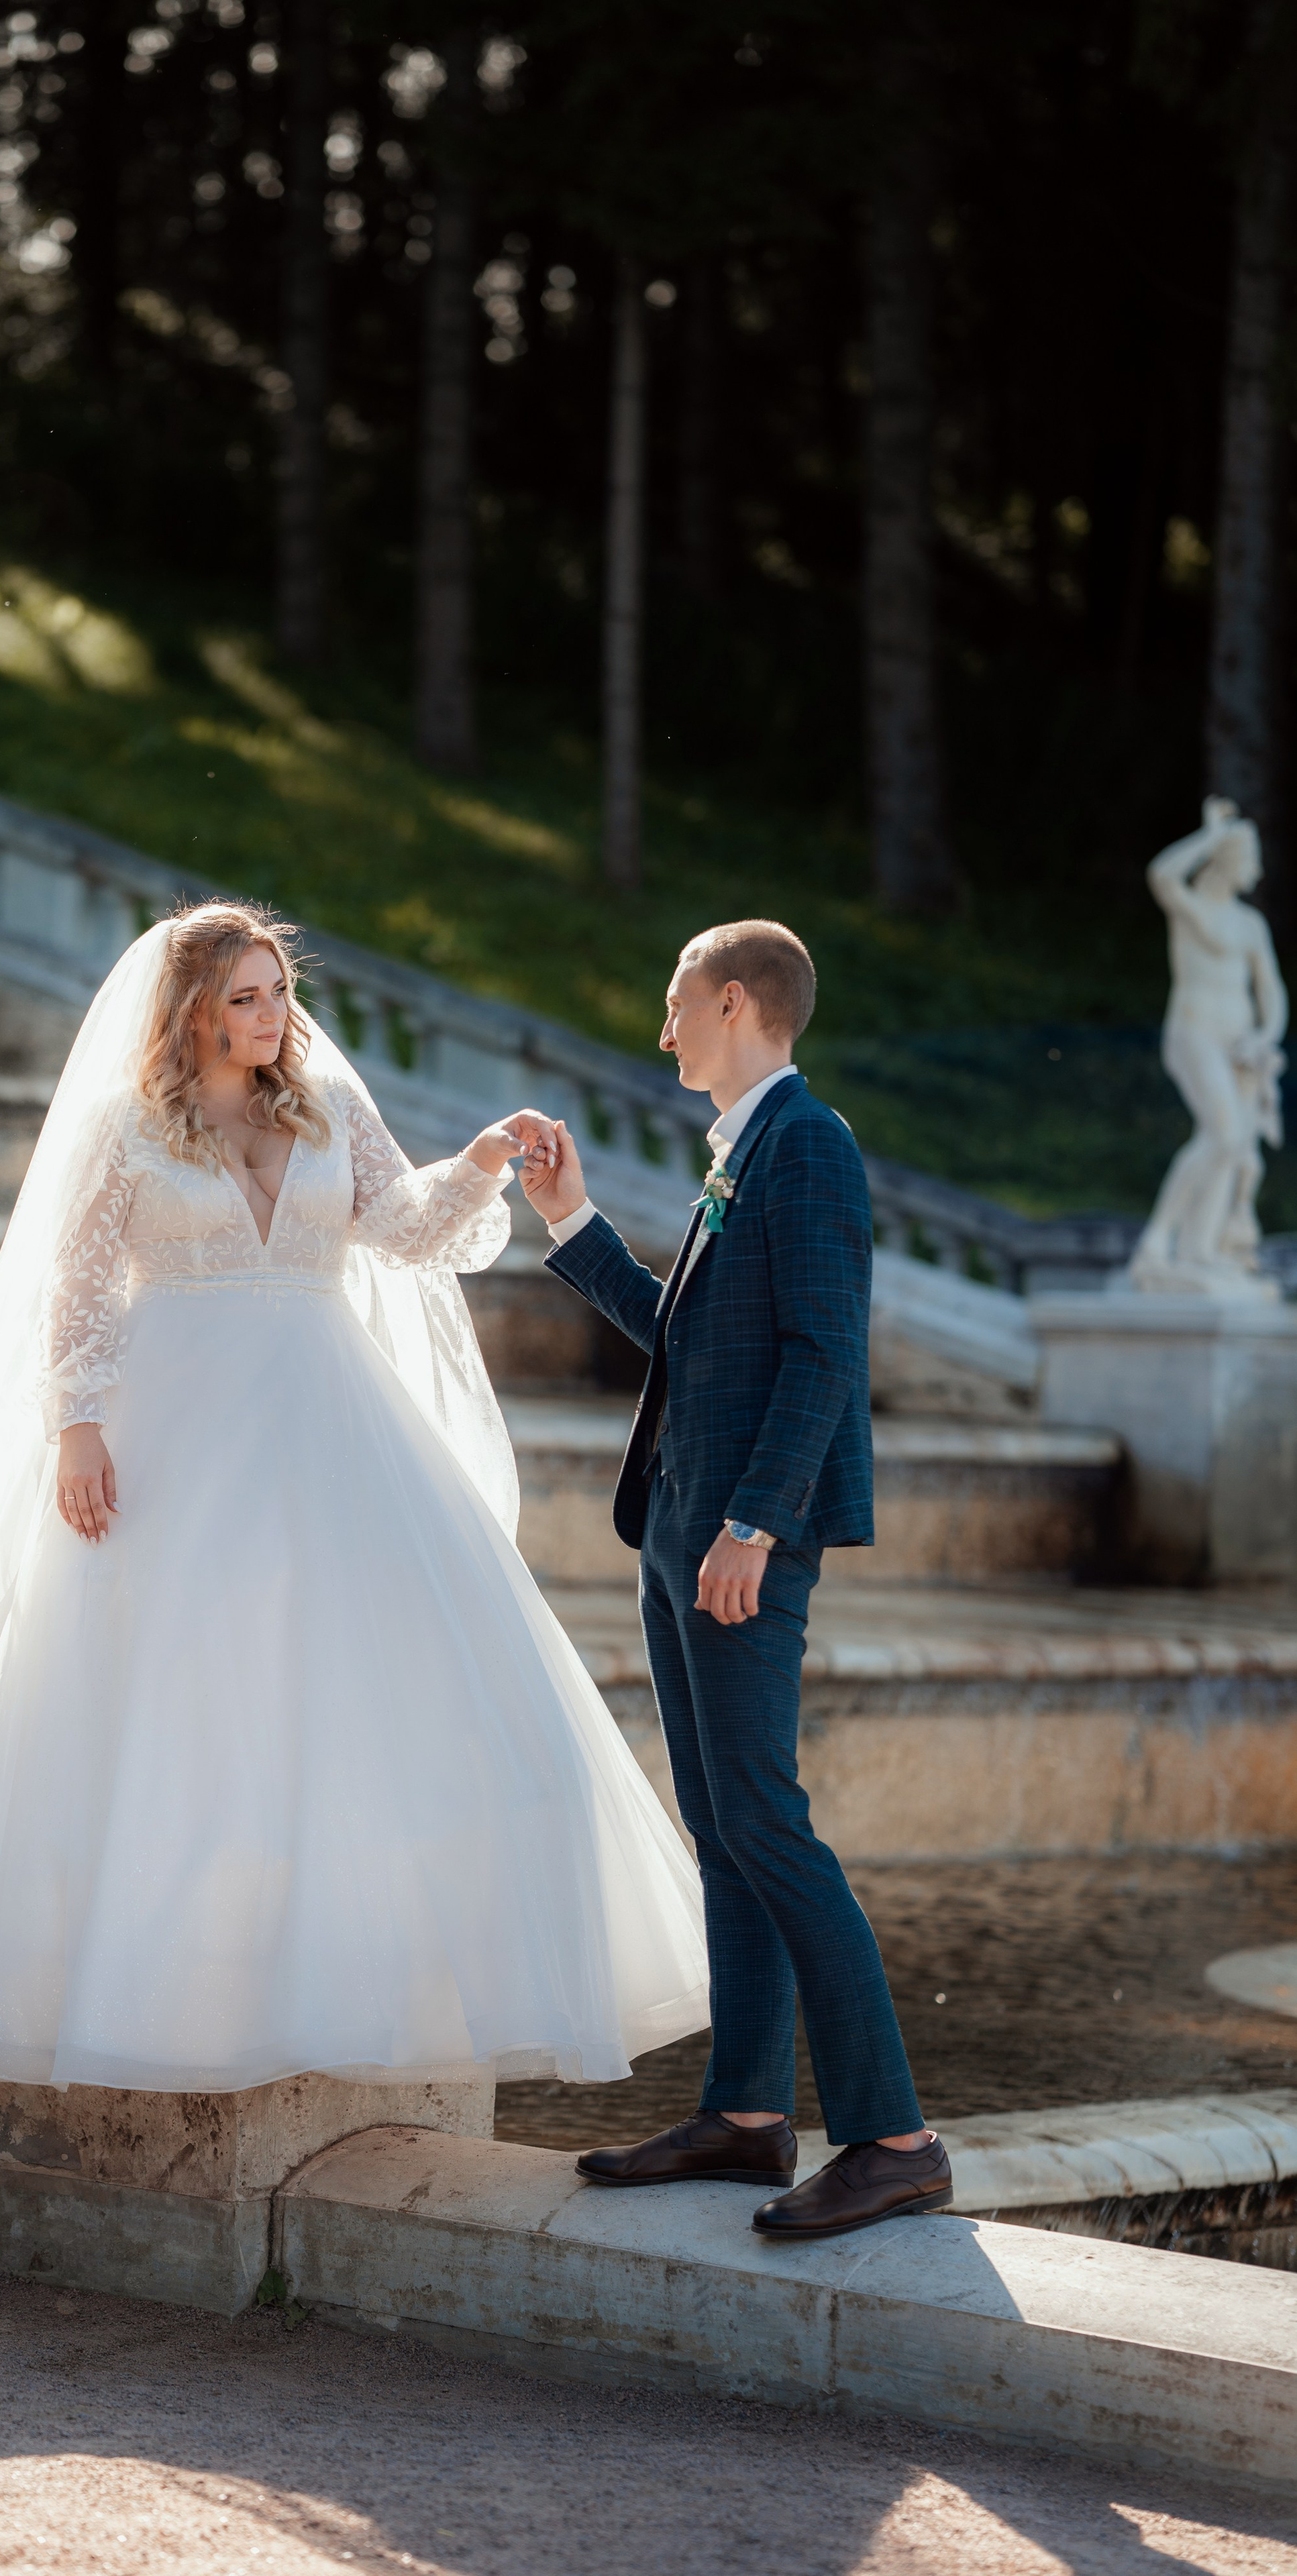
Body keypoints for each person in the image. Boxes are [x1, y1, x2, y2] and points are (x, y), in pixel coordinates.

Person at [0, 901, 707, 2096]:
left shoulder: (328, 1107)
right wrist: (76, 1429)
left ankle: (345, 1983)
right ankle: (162, 1993)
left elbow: (402, 1228)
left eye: (277, 993)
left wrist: (487, 1161)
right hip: (173, 1423)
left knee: (353, 1688)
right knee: (178, 1700)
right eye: (244, 997)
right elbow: (74, 1291)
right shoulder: (124, 1128)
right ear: (192, 1010)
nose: (270, 1016)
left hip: (329, 1418)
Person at [520, 919, 952, 2241]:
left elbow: (826, 1357)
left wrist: (757, 1524)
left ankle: (891, 2137)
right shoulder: (744, 1151)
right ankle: (748, 2117)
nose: (661, 1035)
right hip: (678, 1528)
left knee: (764, 1821)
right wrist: (568, 1222)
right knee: (720, 1823)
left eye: (671, 1008)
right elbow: (685, 1346)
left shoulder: (805, 1145)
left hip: (734, 1540)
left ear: (730, 1002)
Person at [1129, 796, 1288, 1295]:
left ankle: (1199, 1249)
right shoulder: (1192, 908)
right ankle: (1156, 1242)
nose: (1257, 871)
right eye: (1249, 859)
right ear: (1226, 860)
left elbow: (1272, 992)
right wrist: (1211, 837)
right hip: (1194, 1031)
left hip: (1239, 1043)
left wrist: (1265, 1037)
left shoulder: (1250, 925)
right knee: (1222, 1133)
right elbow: (1162, 874)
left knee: (1235, 1143)